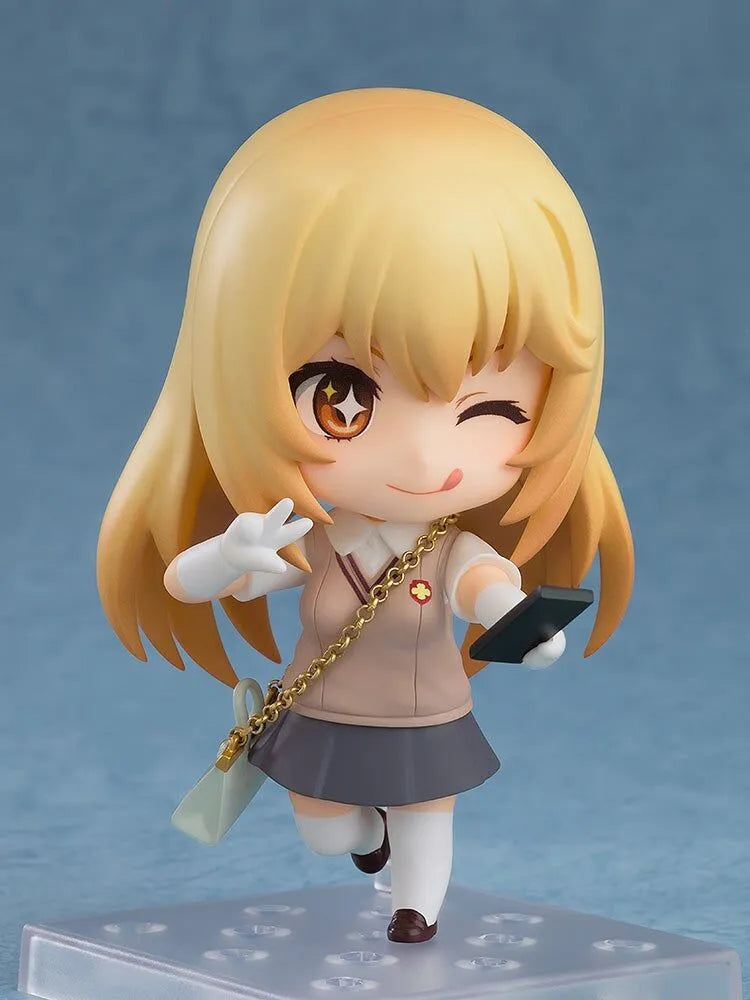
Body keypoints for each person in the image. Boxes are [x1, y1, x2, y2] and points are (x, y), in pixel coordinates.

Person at [97, 88, 634, 944]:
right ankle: (362, 838)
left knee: (428, 809)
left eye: (490, 408)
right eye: (341, 398)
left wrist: (521, 623)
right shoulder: (308, 533)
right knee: (324, 827)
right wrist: (233, 549)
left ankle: (417, 907)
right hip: (325, 707)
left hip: (426, 711)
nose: (422, 459)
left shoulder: (446, 545)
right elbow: (185, 583)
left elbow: (485, 587)